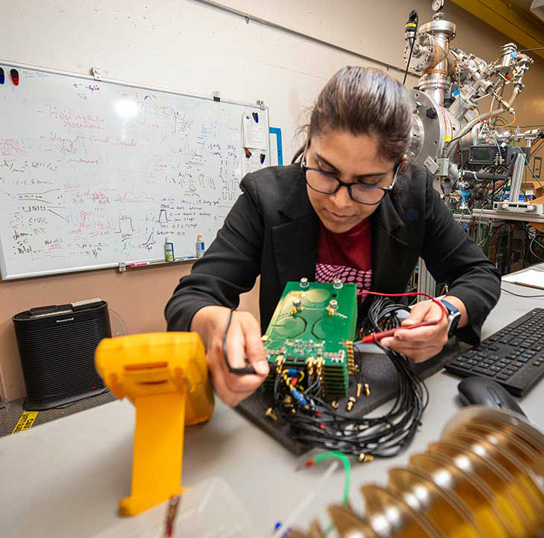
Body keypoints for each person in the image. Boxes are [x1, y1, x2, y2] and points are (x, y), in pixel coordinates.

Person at [166, 66, 501, 406]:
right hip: (293, 385)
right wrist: (213, 323)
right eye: (326, 172)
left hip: (384, 384)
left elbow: (479, 274)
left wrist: (449, 312)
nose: (340, 202)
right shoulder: (264, 197)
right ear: (308, 145)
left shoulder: (415, 194)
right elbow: (190, 298)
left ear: (397, 171)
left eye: (368, 183)